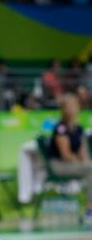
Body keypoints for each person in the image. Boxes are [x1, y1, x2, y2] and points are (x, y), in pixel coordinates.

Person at [47, 92, 92, 223]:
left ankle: (89, 210)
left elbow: (83, 154)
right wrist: (84, 164)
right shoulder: (60, 128)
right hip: (59, 165)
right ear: (63, 109)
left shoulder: (79, 129)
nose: (72, 109)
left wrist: (86, 161)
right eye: (69, 106)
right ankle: (89, 211)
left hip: (74, 164)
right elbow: (66, 155)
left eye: (74, 105)